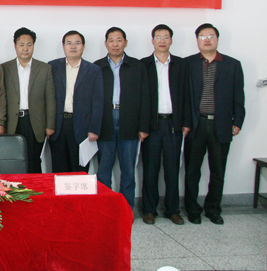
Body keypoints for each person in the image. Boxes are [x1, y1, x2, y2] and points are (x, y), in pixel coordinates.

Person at [184, 23, 245, 225]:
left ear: (217, 39)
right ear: (197, 40)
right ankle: (192, 209)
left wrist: (238, 121)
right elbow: (182, 96)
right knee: (192, 170)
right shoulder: (188, 63)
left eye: (211, 36)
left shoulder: (232, 65)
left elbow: (239, 95)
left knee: (218, 171)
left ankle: (213, 209)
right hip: (196, 124)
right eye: (203, 36)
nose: (207, 39)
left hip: (221, 124)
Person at [94, 27, 150, 209]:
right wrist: (93, 126)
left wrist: (143, 126)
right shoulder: (97, 67)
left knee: (128, 169)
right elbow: (91, 100)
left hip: (129, 120)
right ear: (106, 44)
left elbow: (145, 97)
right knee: (104, 168)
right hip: (105, 121)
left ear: (125, 43)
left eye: (119, 40)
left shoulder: (137, 66)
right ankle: (105, 208)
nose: (115, 44)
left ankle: (126, 209)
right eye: (111, 40)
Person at [141, 24, 191, 225]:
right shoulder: (143, 65)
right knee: (150, 170)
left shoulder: (181, 64)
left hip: (173, 124)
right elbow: (139, 99)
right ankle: (149, 210)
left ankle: (173, 210)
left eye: (166, 37)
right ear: (152, 40)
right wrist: (142, 127)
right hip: (151, 126)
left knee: (172, 169)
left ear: (171, 40)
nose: (162, 40)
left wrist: (186, 122)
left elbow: (187, 95)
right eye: (158, 37)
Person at [1, 27, 55, 173]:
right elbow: (0, 98)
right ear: (15, 46)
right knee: (13, 161)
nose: (25, 48)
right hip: (12, 122)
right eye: (21, 44)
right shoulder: (4, 68)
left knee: (34, 160)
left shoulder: (45, 68)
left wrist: (50, 125)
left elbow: (50, 99)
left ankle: (35, 188)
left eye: (29, 45)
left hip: (35, 122)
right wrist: (0, 123)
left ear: (33, 46)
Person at [49, 30, 103, 173]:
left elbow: (98, 102)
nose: (73, 46)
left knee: (79, 170)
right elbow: (46, 98)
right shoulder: (52, 67)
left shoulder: (93, 70)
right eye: (69, 43)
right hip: (58, 126)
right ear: (63, 46)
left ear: (83, 46)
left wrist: (94, 129)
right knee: (59, 169)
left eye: (77, 43)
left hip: (82, 127)